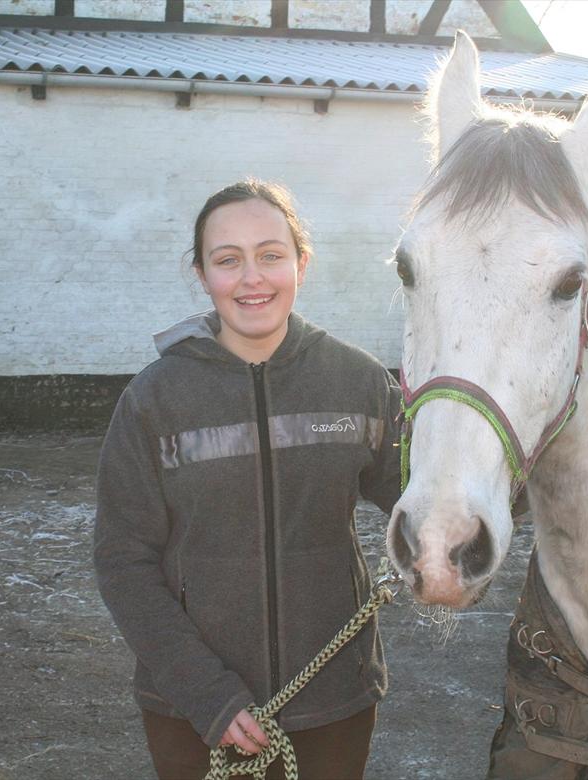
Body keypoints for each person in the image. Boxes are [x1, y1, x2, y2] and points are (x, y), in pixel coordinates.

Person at [93, 179, 402, 779]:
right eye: (227, 260)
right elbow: (122, 560)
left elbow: (430, 499)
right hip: (193, 711)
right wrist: (204, 691)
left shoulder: (359, 383)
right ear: (202, 275)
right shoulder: (154, 400)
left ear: (301, 264)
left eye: (271, 255)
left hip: (333, 701)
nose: (252, 278)